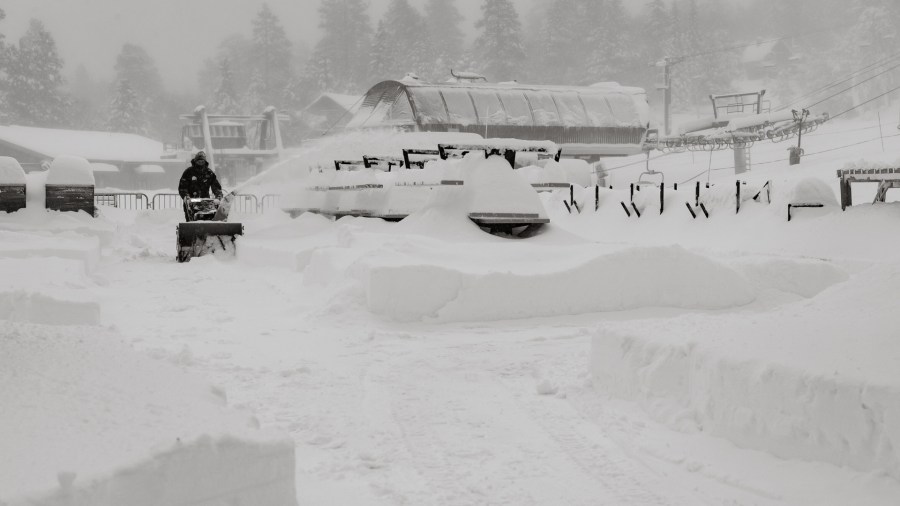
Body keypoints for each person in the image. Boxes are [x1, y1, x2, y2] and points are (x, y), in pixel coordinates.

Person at [178, 151, 223, 221]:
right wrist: (186, 197)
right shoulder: (188, 172)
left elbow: (216, 187)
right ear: (195, 161)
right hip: (191, 203)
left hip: (206, 203)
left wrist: (218, 196)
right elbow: (183, 188)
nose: (200, 163)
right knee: (191, 222)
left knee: (208, 222)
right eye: (199, 161)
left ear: (205, 162)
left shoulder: (209, 173)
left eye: (202, 161)